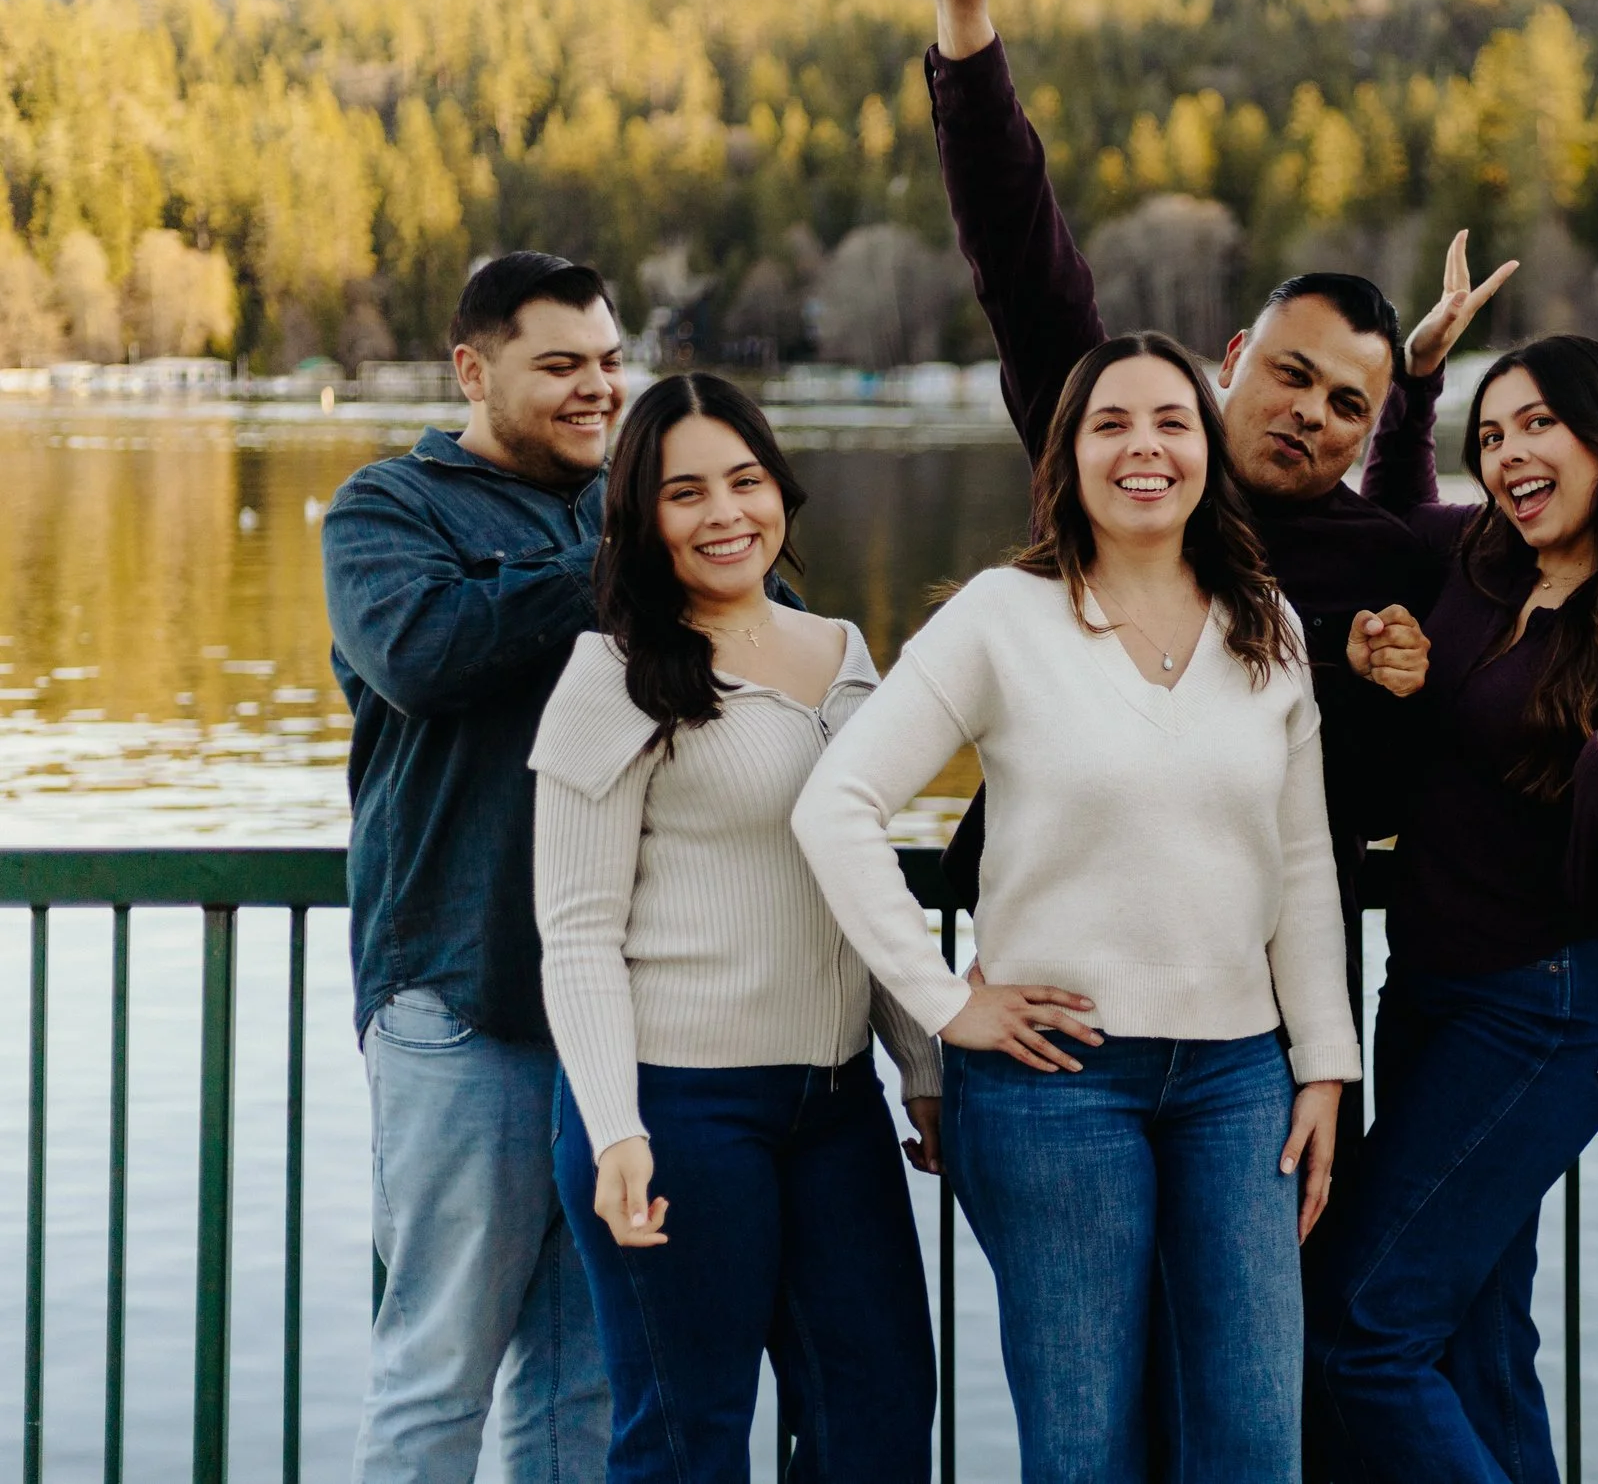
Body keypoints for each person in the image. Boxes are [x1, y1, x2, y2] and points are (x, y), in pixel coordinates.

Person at [918, 0, 1514, 1007]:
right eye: (1291, 374)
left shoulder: (1388, 564)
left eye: (1348, 402)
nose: (1310, 415)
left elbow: (1386, 784)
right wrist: (966, 28)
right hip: (1060, 979)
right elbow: (1022, 253)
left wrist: (1394, 681)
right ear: (1235, 355)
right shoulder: (1122, 448)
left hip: (1272, 1008)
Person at [792, 332, 1362, 1483]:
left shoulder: (1268, 623)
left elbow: (1300, 861)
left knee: (1256, 1441)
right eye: (1111, 422)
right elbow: (835, 802)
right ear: (1069, 454)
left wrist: (1324, 1063)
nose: (1143, 446)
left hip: (1238, 1081)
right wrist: (945, 1003)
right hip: (1057, 1085)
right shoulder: (1005, 616)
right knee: (1083, 1447)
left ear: (1207, 451)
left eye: (1171, 421)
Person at [1308, 334, 1598, 1482]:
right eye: (1491, 436)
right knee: (1476, 1336)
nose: (1508, 456)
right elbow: (1393, 517)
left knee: (1364, 1327)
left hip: (1548, 1005)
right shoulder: (1483, 559)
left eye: (1536, 424)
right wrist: (1416, 382)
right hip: (1433, 986)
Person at [529, 372, 941, 1479]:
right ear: (641, 517)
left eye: (745, 481)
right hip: (677, 1105)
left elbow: (868, 881)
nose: (725, 514)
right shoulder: (609, 675)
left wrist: (926, 1068)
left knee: (881, 1417)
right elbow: (572, 931)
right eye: (684, 492)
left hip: (835, 1104)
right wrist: (615, 1125)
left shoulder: (844, 651)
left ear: (780, 492)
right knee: (686, 1440)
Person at [323, 252, 626, 1481]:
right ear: (473, 368)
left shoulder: (637, 504)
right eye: (559, 365)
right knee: (437, 1369)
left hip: (621, 1015)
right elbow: (422, 649)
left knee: (585, 1380)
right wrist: (621, 576)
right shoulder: (388, 506)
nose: (595, 388)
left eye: (609, 361)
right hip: (460, 999)